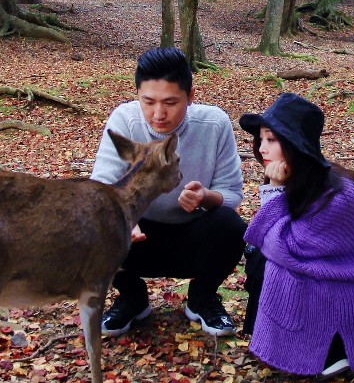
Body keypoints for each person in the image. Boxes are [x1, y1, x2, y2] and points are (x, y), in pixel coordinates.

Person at [239, 92, 354, 378]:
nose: (261, 148)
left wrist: (272, 191)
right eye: (260, 139)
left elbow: (286, 248)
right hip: (344, 280)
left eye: (271, 139)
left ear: (293, 145)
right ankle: (295, 345)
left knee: (274, 264)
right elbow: (271, 239)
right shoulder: (302, 181)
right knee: (259, 259)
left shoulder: (338, 195)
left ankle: (337, 349)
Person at [91, 46, 245, 337]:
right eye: (148, 101)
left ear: (190, 96)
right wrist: (124, 217)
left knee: (230, 225)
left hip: (192, 237)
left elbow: (233, 193)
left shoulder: (214, 124)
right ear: (137, 94)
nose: (158, 114)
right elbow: (101, 188)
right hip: (136, 241)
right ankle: (132, 299)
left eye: (171, 102)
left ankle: (202, 299)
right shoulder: (125, 121)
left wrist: (206, 197)